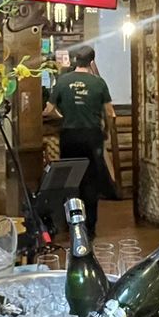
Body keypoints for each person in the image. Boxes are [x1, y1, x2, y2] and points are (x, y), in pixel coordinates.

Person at [47, 45, 116, 237]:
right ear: (91, 62)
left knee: (71, 180)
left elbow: (49, 110)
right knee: (91, 182)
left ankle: (72, 224)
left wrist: (63, 116)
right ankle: (90, 228)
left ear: (75, 60)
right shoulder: (99, 83)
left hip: (69, 136)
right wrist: (106, 131)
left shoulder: (63, 81)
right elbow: (110, 112)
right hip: (92, 136)